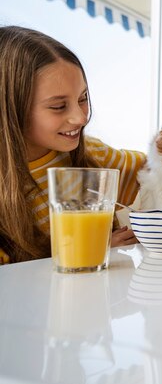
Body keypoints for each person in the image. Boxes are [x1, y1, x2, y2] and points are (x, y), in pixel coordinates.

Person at [0, 26, 146, 264]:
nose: (80, 117)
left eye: (83, 98)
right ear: (9, 109)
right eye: (58, 106)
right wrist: (90, 249)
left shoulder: (92, 154)